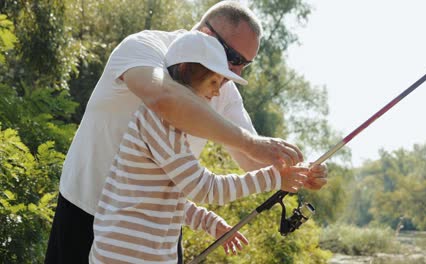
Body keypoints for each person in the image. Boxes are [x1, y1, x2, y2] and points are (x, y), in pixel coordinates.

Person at [45, 1, 327, 263]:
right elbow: (164, 99)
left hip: (159, 237)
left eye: (244, 65)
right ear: (206, 33)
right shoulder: (144, 47)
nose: (232, 75)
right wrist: (254, 147)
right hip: (85, 211)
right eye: (233, 57)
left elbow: (252, 157)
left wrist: (299, 171)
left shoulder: (219, 86)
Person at [89, 30, 309, 264]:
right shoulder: (158, 122)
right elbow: (205, 188)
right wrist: (273, 178)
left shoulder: (170, 128)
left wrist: (209, 223)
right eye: (213, 81)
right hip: (124, 256)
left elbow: (163, 198)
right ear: (184, 70)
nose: (217, 92)